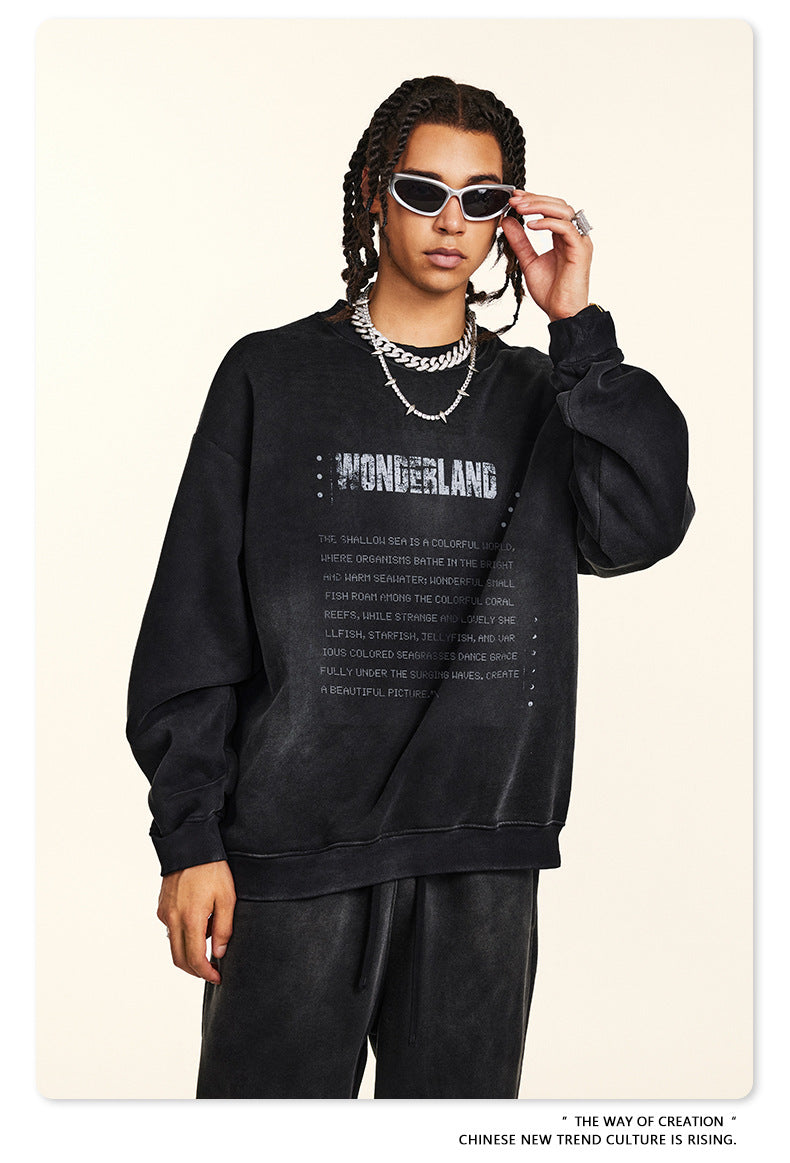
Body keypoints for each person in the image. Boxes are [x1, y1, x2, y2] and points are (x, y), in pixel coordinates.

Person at [125, 75, 695, 1099]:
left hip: (482, 860)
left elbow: (640, 525)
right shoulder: (271, 376)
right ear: (372, 194)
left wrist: (579, 328)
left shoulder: (545, 396)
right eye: (424, 190)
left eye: (483, 199)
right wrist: (189, 837)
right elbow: (194, 620)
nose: (451, 221)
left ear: (509, 217)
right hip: (291, 859)